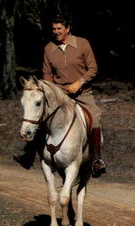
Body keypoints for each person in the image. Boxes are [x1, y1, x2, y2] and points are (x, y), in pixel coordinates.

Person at [42, 14, 106, 177]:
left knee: (94, 118)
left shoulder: (82, 44)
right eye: (54, 29)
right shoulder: (49, 48)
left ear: (68, 29)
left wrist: (79, 82)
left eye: (59, 29)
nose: (56, 32)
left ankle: (96, 160)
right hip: (59, 94)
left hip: (82, 93)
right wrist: (53, 91)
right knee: (40, 116)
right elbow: (47, 73)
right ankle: (28, 155)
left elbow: (93, 68)